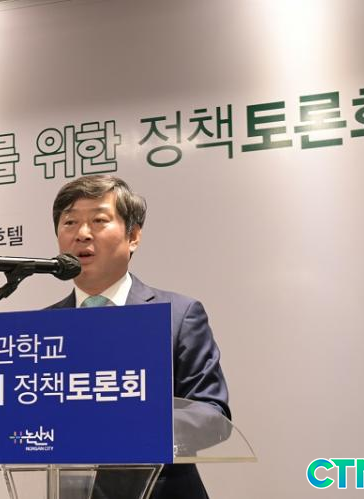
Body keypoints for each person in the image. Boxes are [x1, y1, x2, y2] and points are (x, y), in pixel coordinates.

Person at [47, 175, 230, 499]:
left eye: (98, 221)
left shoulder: (177, 314)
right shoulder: (44, 328)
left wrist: (127, 426)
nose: (82, 233)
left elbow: (211, 414)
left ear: (133, 236)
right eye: (70, 222)